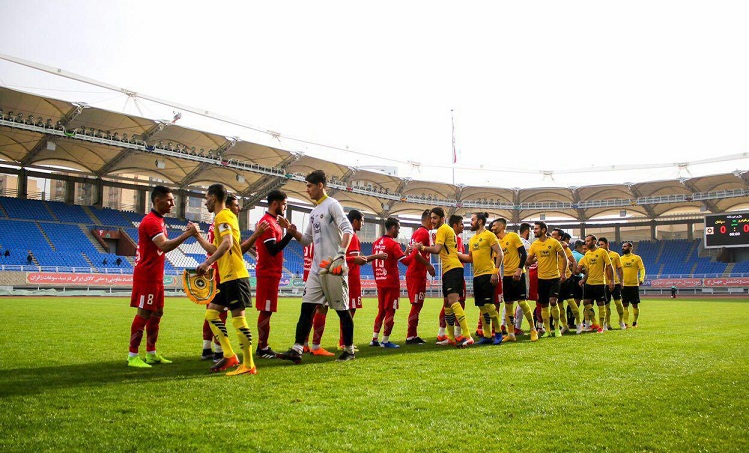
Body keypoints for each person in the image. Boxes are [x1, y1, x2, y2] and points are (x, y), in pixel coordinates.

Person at [277, 170, 357, 363]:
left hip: (333, 267)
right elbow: (306, 241)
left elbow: (348, 230)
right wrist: (292, 232)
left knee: (342, 310)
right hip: (316, 269)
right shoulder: (313, 213)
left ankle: (348, 350)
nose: (307, 190)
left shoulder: (333, 205)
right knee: (306, 308)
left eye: (309, 186)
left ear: (320, 185)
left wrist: (341, 254)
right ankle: (297, 349)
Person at [127, 185, 197, 368]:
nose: (173, 203)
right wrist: (187, 234)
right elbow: (164, 246)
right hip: (146, 276)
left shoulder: (159, 220)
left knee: (157, 313)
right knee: (144, 313)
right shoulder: (150, 221)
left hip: (156, 275)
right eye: (169, 200)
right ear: (157, 201)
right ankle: (132, 355)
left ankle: (151, 353)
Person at [194, 195, 266, 361]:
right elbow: (217, 247)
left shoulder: (224, 216)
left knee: (238, 319)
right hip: (226, 275)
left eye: (206, 198)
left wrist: (208, 262)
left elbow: (227, 244)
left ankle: (248, 363)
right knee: (211, 314)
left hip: (235, 275)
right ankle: (228, 355)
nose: (205, 202)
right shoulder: (223, 218)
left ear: (214, 198)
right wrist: (197, 236)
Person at [415, 207, 474, 348]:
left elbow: (437, 249)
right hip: (449, 269)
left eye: (435, 218)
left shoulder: (443, 229)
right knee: (447, 304)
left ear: (442, 218)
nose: (432, 221)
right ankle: (451, 337)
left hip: (453, 268)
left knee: (453, 302)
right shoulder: (446, 230)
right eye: (431, 218)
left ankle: (467, 336)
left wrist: (421, 247)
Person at [253, 189, 296, 359]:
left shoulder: (274, 222)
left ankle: (262, 346)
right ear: (275, 204)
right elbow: (272, 249)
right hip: (267, 272)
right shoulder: (267, 223)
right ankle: (262, 348)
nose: (285, 208)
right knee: (266, 310)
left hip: (272, 272)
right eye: (284, 204)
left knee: (267, 310)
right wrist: (290, 235)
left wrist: (286, 231)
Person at [491, 218, 537, 342]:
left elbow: (523, 254)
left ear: (501, 226)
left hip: (518, 274)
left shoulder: (513, 236)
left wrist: (518, 269)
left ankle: (533, 329)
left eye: (494, 226)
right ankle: (511, 333)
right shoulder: (497, 242)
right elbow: (496, 260)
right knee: (509, 304)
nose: (492, 228)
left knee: (522, 302)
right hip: (506, 276)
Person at [464, 212, 504, 345]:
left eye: (473, 220)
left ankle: (498, 333)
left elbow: (500, 253)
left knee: (489, 305)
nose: (471, 222)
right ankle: (487, 336)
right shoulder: (472, 239)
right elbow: (470, 258)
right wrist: (454, 254)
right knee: (481, 307)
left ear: (480, 221)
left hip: (488, 274)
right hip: (477, 276)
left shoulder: (489, 235)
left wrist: (495, 272)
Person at [371, 217, 411, 348]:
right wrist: (415, 252)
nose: (398, 231)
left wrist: (405, 253)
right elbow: (405, 262)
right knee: (390, 311)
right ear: (393, 228)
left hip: (380, 281)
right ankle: (386, 341)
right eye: (398, 228)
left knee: (381, 311)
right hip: (391, 283)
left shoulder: (376, 243)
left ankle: (375, 339)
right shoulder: (393, 244)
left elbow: (395, 258)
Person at [526, 221, 567, 338]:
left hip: (554, 277)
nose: (534, 231)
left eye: (536, 229)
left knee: (553, 301)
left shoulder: (554, 242)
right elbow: (529, 261)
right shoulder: (534, 245)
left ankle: (557, 328)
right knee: (543, 305)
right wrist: (531, 259)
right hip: (541, 278)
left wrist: (563, 273)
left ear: (543, 230)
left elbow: (564, 257)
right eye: (534, 229)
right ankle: (548, 330)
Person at [403, 209, 435, 345]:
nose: (433, 222)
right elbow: (415, 253)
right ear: (428, 219)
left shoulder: (416, 232)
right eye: (432, 219)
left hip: (414, 272)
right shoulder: (423, 233)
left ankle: (413, 335)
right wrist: (428, 265)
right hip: (416, 273)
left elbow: (409, 253)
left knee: (417, 304)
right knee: (416, 305)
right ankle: (410, 336)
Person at [436, 214, 468, 343]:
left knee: (456, 302)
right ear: (455, 225)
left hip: (453, 271)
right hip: (452, 271)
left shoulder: (455, 238)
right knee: (450, 303)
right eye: (461, 224)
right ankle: (446, 333)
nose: (463, 227)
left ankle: (455, 334)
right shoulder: (449, 236)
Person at [576, 234, 614, 333]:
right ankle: (595, 324)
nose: (586, 242)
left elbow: (609, 267)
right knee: (586, 303)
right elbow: (586, 270)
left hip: (600, 283)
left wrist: (611, 280)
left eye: (588, 241)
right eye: (586, 241)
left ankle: (601, 327)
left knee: (600, 303)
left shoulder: (602, 252)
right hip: (589, 283)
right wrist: (584, 279)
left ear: (594, 242)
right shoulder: (587, 254)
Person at [551, 229, 582, 334]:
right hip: (556, 279)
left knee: (570, 301)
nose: (552, 236)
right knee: (558, 304)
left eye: (555, 235)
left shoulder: (564, 248)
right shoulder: (550, 246)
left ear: (560, 237)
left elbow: (573, 260)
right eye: (552, 234)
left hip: (566, 278)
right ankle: (564, 325)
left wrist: (572, 275)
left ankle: (578, 323)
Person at [598, 237, 626, 330]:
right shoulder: (598, 255)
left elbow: (620, 268)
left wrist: (622, 281)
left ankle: (621, 321)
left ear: (607, 244)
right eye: (599, 244)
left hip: (615, 282)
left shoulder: (615, 255)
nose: (600, 246)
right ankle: (606, 323)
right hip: (603, 283)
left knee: (618, 303)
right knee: (606, 305)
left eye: (602, 244)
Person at [620, 241, 646, 327]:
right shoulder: (620, 258)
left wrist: (641, 278)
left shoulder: (637, 258)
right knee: (625, 304)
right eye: (622, 246)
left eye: (625, 246)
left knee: (635, 304)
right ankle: (626, 323)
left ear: (630, 248)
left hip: (634, 285)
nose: (623, 248)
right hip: (624, 285)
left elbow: (642, 269)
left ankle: (635, 321)